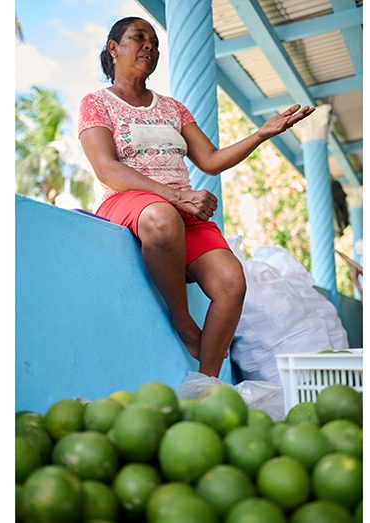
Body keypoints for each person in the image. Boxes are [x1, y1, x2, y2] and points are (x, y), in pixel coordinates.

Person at [78, 16, 315, 377]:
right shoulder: (96, 103)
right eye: (139, 38)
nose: (150, 47)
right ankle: (184, 321)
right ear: (113, 48)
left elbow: (210, 160)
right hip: (131, 203)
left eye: (155, 42)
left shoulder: (173, 108)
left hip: (180, 211)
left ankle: (207, 386)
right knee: (160, 217)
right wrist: (176, 197)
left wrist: (262, 134)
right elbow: (107, 169)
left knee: (231, 282)